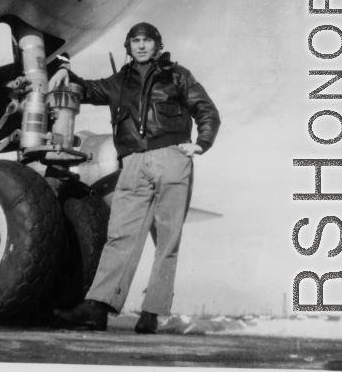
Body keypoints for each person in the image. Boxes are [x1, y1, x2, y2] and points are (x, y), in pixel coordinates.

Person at [48, 22, 220, 333]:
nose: (141, 46)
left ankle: (150, 314)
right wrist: (65, 70)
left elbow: (206, 109)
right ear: (129, 46)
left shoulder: (178, 75)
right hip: (132, 163)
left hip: (171, 158)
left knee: (167, 240)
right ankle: (97, 308)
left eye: (147, 41)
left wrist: (201, 142)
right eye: (135, 41)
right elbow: (87, 89)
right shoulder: (119, 81)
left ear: (157, 45)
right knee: (120, 236)